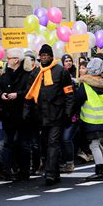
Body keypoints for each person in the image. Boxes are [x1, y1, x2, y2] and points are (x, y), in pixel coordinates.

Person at [24, 44, 74, 185]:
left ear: (51, 57)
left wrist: (68, 113)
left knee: (53, 143)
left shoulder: (61, 71)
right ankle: (54, 171)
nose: (44, 58)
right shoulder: (35, 73)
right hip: (40, 116)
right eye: (42, 55)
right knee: (44, 144)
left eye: (46, 55)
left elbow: (69, 94)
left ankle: (50, 173)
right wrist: (26, 112)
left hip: (57, 114)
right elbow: (29, 95)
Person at [75, 58, 103, 180]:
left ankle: (100, 169)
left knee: (93, 145)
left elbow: (78, 100)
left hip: (90, 119)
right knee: (97, 143)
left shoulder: (85, 85)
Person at [0, 49, 31, 181]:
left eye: (9, 58)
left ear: (16, 60)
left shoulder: (27, 75)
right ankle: (8, 170)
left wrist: (18, 95)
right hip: (8, 114)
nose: (7, 60)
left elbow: (29, 91)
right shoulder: (5, 75)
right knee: (8, 143)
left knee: (23, 144)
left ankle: (24, 171)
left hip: (22, 114)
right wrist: (2, 94)